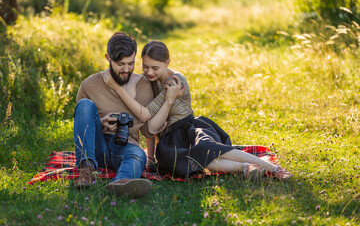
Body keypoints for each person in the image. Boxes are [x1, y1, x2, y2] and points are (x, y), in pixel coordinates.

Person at [103, 41, 293, 181]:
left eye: (155, 68)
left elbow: (148, 112)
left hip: (188, 128)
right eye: (145, 67)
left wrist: (124, 93)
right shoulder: (149, 82)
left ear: (167, 62)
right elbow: (149, 129)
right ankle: (245, 168)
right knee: (184, 160)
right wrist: (151, 156)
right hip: (170, 137)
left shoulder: (175, 82)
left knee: (207, 149)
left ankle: (272, 168)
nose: (149, 72)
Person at [73, 33, 180, 198]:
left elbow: (147, 129)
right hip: (97, 146)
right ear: (108, 58)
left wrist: (150, 157)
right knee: (84, 105)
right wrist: (101, 123)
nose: (126, 69)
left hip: (125, 146)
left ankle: (121, 183)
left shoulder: (144, 85)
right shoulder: (89, 84)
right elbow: (82, 120)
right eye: (120, 64)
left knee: (138, 155)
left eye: (131, 63)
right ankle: (86, 169)